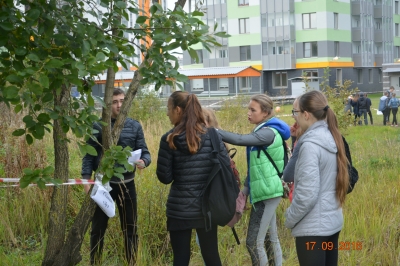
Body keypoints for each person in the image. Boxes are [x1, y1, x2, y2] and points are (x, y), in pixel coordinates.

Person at [217, 94, 290, 266]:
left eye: (252, 110)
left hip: (266, 193)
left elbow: (240, 140)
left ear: (265, 113)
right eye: (248, 109)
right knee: (270, 239)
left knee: (253, 242)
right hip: (265, 191)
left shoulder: (268, 133)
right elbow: (256, 169)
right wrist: (245, 191)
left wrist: (215, 132)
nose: (248, 113)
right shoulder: (263, 130)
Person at [81, 88, 151, 265]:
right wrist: (86, 180)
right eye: (114, 102)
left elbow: (146, 152)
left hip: (127, 184)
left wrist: (144, 161)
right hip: (102, 185)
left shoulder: (134, 126)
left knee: (130, 229)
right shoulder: (97, 126)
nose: (119, 105)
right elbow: (89, 156)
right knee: (97, 229)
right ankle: (95, 262)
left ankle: (132, 262)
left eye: (122, 101)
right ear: (107, 105)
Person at [156, 91, 226, 266]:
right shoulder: (212, 136)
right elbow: (222, 168)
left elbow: (165, 178)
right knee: (212, 256)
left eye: (168, 108)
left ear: (178, 110)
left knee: (180, 258)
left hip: (179, 209)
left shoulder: (169, 139)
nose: (167, 113)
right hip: (207, 208)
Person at [284, 90, 349, 266]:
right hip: (331, 225)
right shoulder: (331, 136)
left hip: (312, 231)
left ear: (306, 114)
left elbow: (306, 196)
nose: (294, 117)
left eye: (295, 113)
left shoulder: (311, 145)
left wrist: (289, 217)